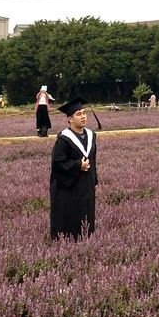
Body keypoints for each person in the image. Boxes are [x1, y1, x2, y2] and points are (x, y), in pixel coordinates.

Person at [49, 98, 99, 241]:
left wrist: (94, 178)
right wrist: (78, 165)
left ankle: (86, 238)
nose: (83, 116)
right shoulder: (64, 140)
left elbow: (93, 160)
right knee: (70, 216)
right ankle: (66, 241)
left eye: (84, 113)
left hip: (86, 184)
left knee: (86, 213)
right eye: (78, 114)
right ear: (70, 119)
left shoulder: (91, 136)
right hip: (68, 188)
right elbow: (57, 163)